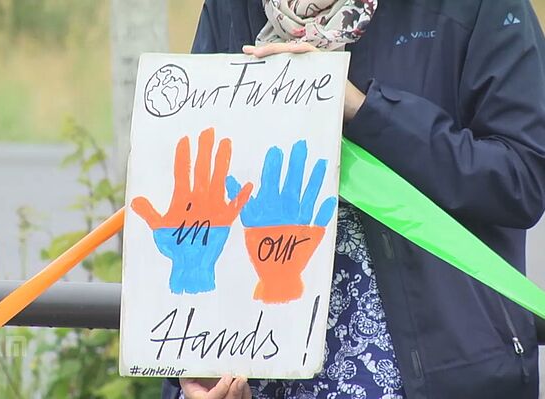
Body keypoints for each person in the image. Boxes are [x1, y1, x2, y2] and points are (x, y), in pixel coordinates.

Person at [164, 0, 545, 398]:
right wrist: (196, 379)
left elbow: (521, 179)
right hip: (265, 373)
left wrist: (362, 109)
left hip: (437, 371)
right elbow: (198, 189)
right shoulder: (232, 8)